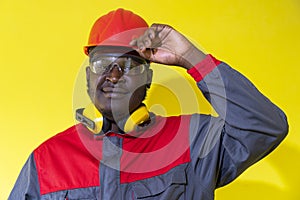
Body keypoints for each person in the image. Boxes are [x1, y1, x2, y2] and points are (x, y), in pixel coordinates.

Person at [9, 8, 288, 200]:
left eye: (129, 65)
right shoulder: (46, 161)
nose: (114, 76)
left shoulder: (192, 141)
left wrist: (191, 57)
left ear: (148, 78)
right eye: (102, 63)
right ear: (88, 76)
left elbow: (265, 126)